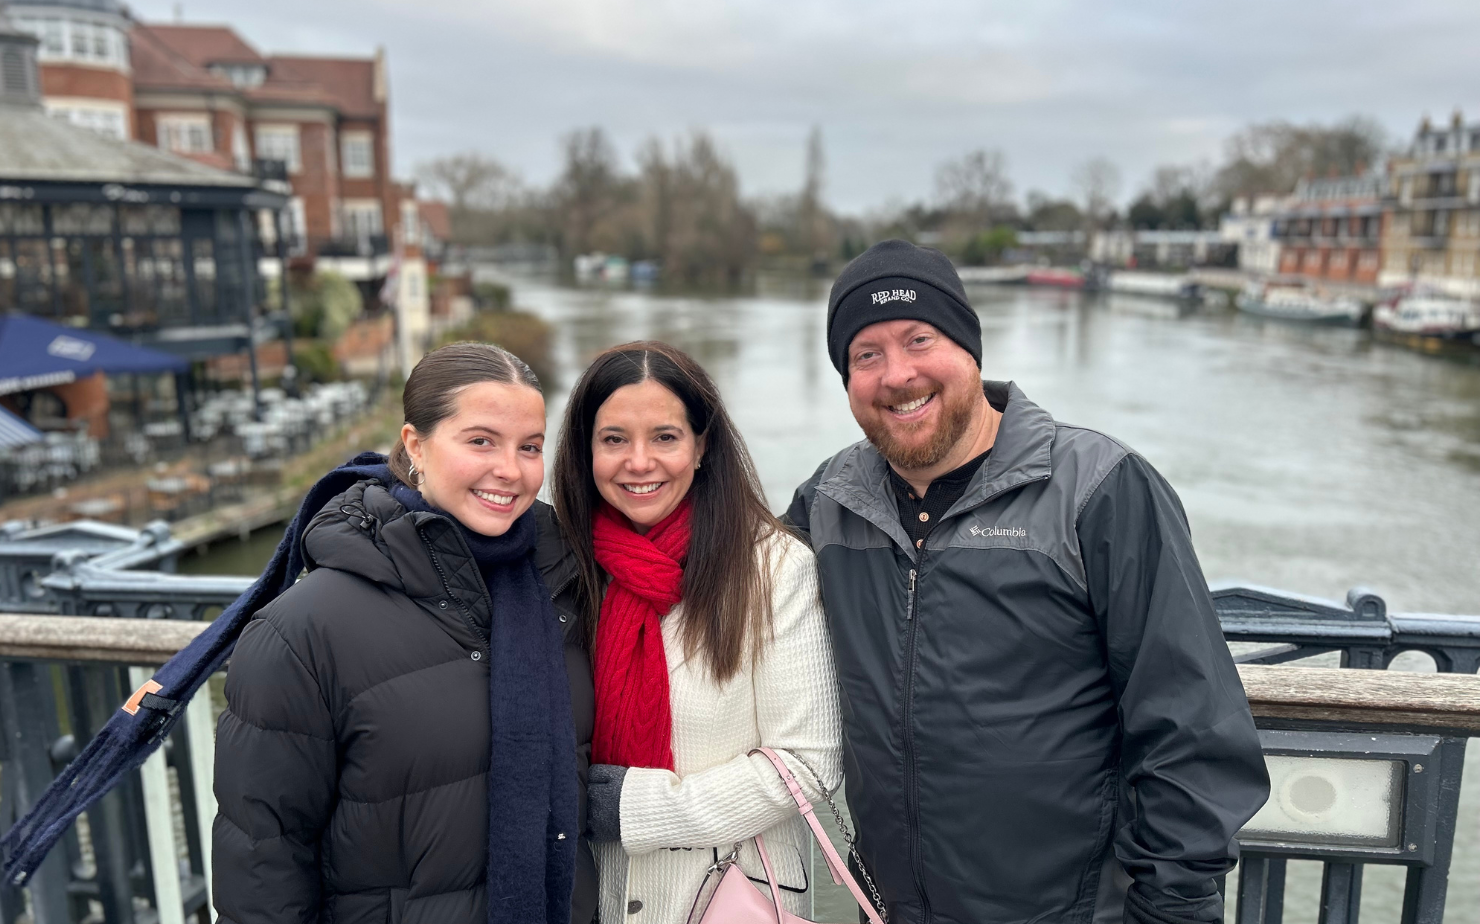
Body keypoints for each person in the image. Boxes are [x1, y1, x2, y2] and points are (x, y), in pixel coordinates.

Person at [783, 240, 1270, 924]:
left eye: (919, 339)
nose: (897, 374)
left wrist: (1174, 906)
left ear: (969, 348)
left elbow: (1190, 725)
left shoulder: (1099, 489)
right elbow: (733, 619)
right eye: (866, 355)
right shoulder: (829, 503)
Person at [212, 342, 598, 924]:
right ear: (415, 445)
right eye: (481, 441)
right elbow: (263, 862)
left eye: (531, 447)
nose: (511, 471)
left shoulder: (566, 588)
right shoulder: (303, 630)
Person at [550, 341, 841, 924]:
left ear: (702, 445)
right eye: (614, 440)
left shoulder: (773, 568)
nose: (639, 462)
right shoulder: (563, 568)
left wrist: (635, 808)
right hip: (591, 902)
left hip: (728, 898)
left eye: (665, 436)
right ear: (585, 452)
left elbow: (810, 763)